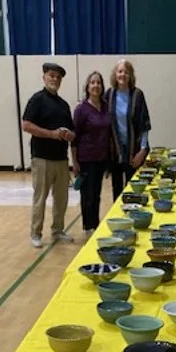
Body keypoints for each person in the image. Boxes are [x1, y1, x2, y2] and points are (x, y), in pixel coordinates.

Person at [22, 62, 75, 248]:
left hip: (61, 160)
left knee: (61, 199)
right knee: (40, 198)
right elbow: (26, 125)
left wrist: (69, 135)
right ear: (44, 77)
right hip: (41, 158)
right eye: (51, 75)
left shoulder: (64, 105)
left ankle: (58, 230)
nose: (55, 79)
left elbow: (73, 132)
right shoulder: (36, 100)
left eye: (58, 77)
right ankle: (36, 233)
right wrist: (51, 134)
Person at [72, 72, 112, 238]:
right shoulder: (81, 109)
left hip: (101, 159)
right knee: (87, 195)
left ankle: (95, 224)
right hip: (85, 159)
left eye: (98, 83)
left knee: (96, 194)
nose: (95, 85)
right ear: (87, 87)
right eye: (92, 83)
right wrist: (75, 162)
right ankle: (88, 227)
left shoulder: (105, 106)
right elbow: (74, 137)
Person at [106, 59, 151, 200]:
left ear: (131, 75)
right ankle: (118, 219)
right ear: (115, 74)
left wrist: (142, 151)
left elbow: (144, 125)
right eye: (120, 71)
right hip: (116, 151)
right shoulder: (109, 94)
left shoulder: (137, 95)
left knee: (134, 188)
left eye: (126, 72)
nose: (123, 75)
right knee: (117, 189)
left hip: (135, 149)